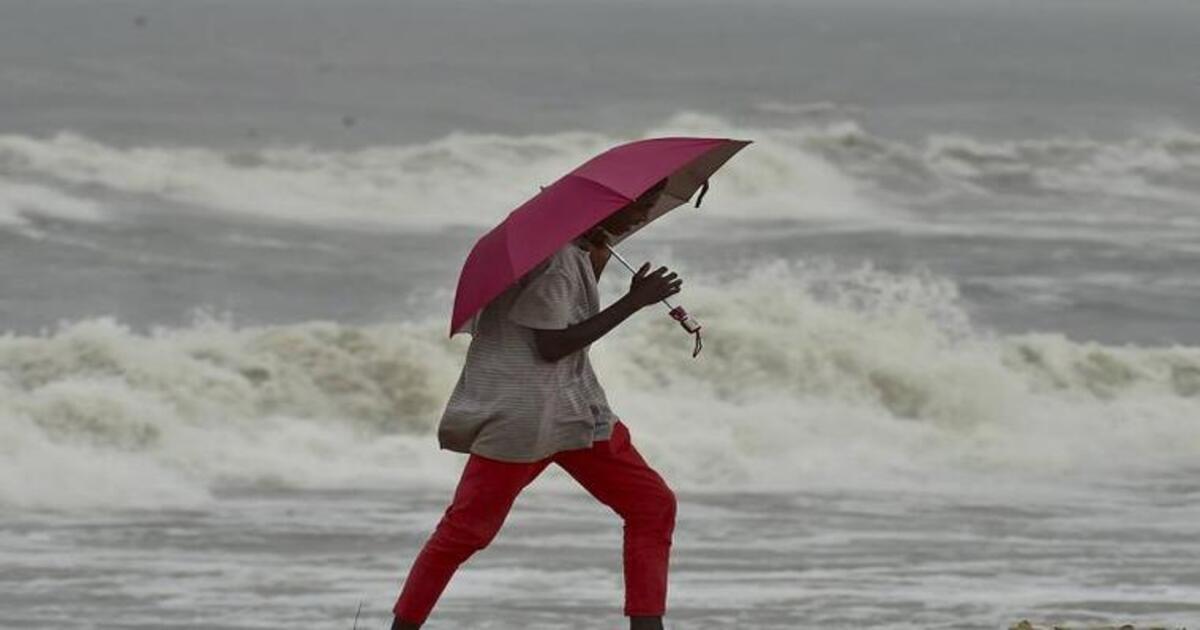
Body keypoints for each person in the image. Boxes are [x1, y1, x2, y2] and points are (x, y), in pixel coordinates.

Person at [391, 178, 680, 630]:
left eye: (651, 203)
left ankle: (648, 626)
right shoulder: (557, 260)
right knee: (466, 531)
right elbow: (551, 345)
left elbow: (565, 315)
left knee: (652, 504)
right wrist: (633, 302)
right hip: (523, 416)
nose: (643, 215)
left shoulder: (577, 250)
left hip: (575, 410)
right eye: (640, 203)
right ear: (611, 203)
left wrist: (600, 266)